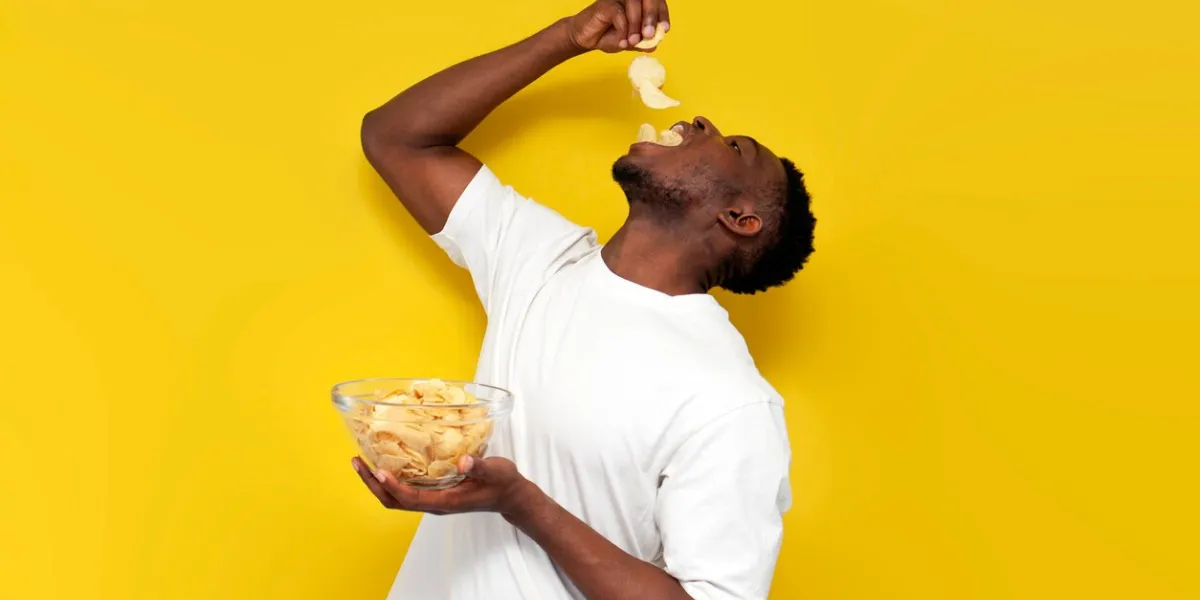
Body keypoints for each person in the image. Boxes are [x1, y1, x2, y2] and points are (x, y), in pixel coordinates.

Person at [352, 0, 816, 598]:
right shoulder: (543, 258)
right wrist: (567, 37)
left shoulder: (731, 402)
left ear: (738, 218)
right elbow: (396, 138)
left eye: (734, 148)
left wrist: (520, 502)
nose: (702, 122)